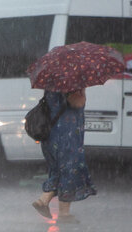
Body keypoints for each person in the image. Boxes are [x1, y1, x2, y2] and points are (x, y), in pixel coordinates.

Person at [31, 88, 96, 223]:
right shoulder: (72, 83)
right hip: (67, 134)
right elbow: (77, 102)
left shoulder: (52, 82)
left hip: (50, 133)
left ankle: (43, 201)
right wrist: (82, 92)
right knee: (70, 170)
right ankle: (63, 213)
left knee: (58, 170)